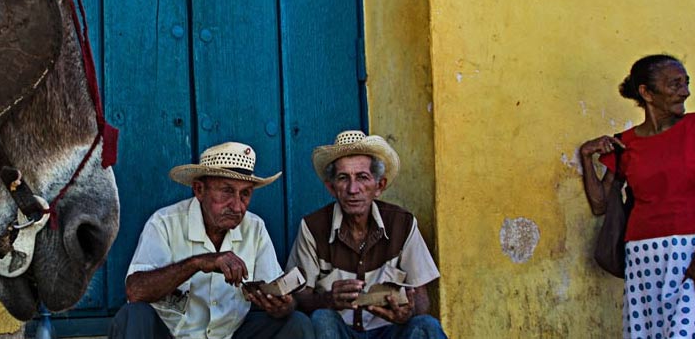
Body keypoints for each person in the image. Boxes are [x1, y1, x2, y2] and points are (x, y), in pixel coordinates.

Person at [577, 54, 695, 339]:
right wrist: (586, 156)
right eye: (675, 84)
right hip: (645, 257)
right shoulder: (625, 144)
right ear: (647, 93)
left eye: (686, 83)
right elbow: (600, 204)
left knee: (688, 331)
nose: (686, 91)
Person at [112, 141, 315, 339]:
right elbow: (135, 291)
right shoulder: (164, 224)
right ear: (199, 190)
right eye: (227, 191)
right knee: (134, 315)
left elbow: (275, 288)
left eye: (245, 194)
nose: (237, 207)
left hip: (230, 335)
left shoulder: (255, 228)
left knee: (296, 323)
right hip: (172, 335)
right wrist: (198, 263)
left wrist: (283, 306)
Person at [289, 130, 446, 339]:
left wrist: (406, 313)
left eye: (363, 177)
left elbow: (422, 300)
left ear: (378, 186)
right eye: (343, 178)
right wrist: (327, 300)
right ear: (331, 187)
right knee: (321, 319)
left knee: (426, 325)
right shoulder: (312, 227)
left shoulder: (402, 224)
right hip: (339, 332)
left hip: (389, 331)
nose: (353, 189)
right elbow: (300, 296)